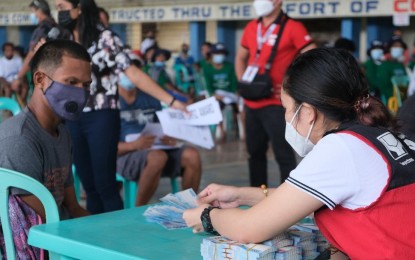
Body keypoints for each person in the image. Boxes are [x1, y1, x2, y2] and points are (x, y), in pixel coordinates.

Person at [183, 48, 415, 258]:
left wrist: (206, 215)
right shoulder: (376, 132)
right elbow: (303, 197)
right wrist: (240, 195)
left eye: (286, 108)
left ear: (307, 112)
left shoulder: (340, 149)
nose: (286, 117)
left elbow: (248, 228)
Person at [54, 0, 186, 214]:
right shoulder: (64, 39)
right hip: (72, 117)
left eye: (62, 7)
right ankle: (96, 238)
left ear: (79, 7)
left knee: (105, 184)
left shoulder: (105, 38)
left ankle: (116, 236)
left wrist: (171, 101)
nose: (59, 13)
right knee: (89, 186)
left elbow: (133, 73)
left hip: (101, 116)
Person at [0, 39, 90, 258]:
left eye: (86, 85)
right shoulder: (20, 138)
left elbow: (72, 206)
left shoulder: (62, 133)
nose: (81, 92)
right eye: (71, 81)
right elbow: (36, 228)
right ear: (40, 79)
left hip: (60, 237)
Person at [235, 0, 315, 187]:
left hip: (277, 104)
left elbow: (312, 57)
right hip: (252, 100)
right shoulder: (252, 27)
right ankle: (256, 195)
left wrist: (293, 85)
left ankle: (288, 200)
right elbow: (240, 57)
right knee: (254, 153)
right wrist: (243, 82)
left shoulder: (293, 27)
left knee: (283, 154)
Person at [117, 72, 202, 206]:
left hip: (157, 149)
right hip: (124, 155)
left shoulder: (150, 97)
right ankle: (137, 209)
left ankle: (189, 207)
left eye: (135, 68)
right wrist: (135, 145)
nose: (130, 75)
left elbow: (163, 126)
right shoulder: (109, 102)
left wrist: (171, 138)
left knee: (192, 155)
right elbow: (104, 148)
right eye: (125, 71)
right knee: (158, 157)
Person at [11, 0, 69, 106]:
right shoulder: (60, 28)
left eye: (34, 12)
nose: (34, 15)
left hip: (46, 78)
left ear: (40, 11)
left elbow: (32, 54)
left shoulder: (41, 29)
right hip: (62, 77)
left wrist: (18, 77)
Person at [203, 43, 239, 140]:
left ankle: (238, 128)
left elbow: (234, 83)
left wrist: (235, 93)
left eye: (221, 53)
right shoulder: (207, 68)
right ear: (211, 55)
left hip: (230, 95)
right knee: (216, 106)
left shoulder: (230, 67)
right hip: (216, 96)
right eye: (216, 53)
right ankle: (221, 130)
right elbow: (208, 85)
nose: (219, 56)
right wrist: (213, 94)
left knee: (238, 107)